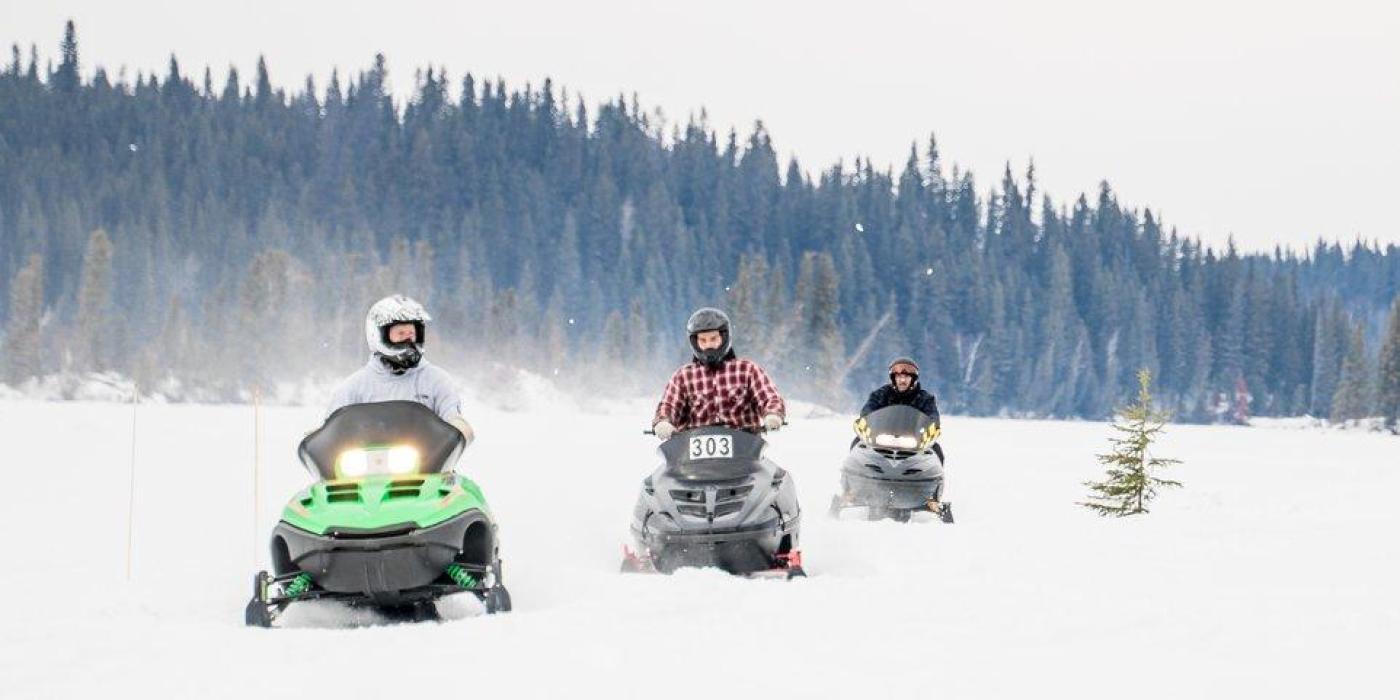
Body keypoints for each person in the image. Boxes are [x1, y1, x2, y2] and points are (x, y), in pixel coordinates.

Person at [326, 294, 475, 445]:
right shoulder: (355, 386)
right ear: (379, 335)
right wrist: (320, 436)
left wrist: (458, 426)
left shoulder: (437, 380)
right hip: (366, 463)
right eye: (400, 333)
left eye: (411, 333)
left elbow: (450, 412)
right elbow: (333, 426)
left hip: (428, 462)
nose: (408, 339)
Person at [652, 307, 785, 439]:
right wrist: (664, 421)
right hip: (692, 455)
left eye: (713, 339)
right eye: (703, 340)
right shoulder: (683, 377)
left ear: (724, 337)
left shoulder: (747, 370)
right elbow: (669, 405)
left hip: (745, 453)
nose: (708, 345)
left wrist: (772, 414)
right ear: (695, 342)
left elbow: (770, 397)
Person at [859, 356, 942, 459]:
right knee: (857, 443)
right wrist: (866, 422)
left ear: (913, 379)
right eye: (899, 377)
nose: (902, 380)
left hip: (914, 441)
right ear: (893, 378)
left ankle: (934, 474)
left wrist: (932, 428)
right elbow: (867, 411)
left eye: (907, 377)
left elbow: (933, 417)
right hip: (882, 438)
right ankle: (854, 473)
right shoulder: (881, 394)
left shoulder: (925, 399)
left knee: (936, 450)